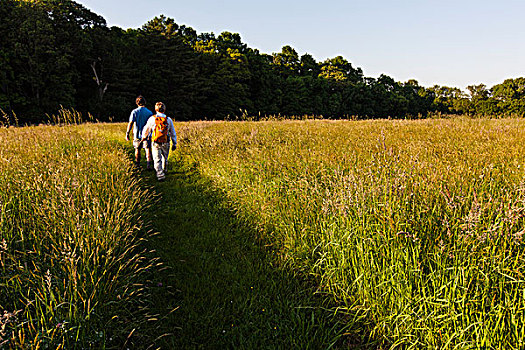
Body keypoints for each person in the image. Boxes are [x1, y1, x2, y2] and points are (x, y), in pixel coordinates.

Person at [140, 102, 177, 181]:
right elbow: (172, 132)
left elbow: (146, 129)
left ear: (155, 109)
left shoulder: (152, 119)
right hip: (166, 141)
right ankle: (164, 169)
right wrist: (174, 143)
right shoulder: (168, 119)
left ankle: (160, 175)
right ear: (164, 109)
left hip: (156, 141)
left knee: (157, 158)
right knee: (164, 157)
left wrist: (144, 137)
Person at [126, 95, 154, 169]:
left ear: (137, 103)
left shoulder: (134, 112)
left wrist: (127, 133)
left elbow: (131, 122)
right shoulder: (149, 112)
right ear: (145, 102)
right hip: (147, 134)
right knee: (148, 149)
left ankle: (137, 164)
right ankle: (148, 165)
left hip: (137, 134)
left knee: (137, 149)